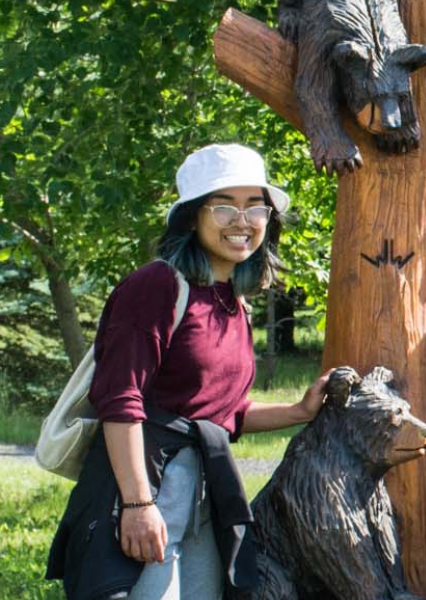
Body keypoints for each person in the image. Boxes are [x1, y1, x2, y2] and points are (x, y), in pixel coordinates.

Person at [46, 144, 332, 600]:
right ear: (191, 217)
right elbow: (121, 399)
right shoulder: (157, 286)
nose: (243, 220)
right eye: (224, 206)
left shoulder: (231, 300)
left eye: (255, 206)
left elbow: (221, 413)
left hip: (205, 494)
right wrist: (139, 505)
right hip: (147, 485)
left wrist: (300, 409)